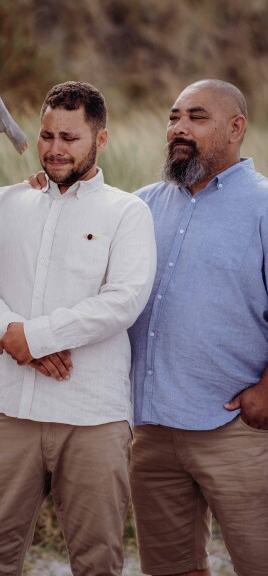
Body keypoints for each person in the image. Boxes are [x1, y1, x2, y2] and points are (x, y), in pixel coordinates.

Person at [29, 79, 268, 576]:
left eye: (196, 117)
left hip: (238, 430)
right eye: (174, 117)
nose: (178, 128)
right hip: (151, 432)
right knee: (170, 568)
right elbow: (72, 257)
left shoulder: (264, 206)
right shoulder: (138, 208)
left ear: (235, 128)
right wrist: (46, 192)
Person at [0, 81, 156, 576]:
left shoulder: (127, 212)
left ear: (100, 139)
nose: (55, 148)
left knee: (97, 563)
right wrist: (14, 336)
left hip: (92, 416)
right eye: (47, 135)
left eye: (70, 137)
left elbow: (123, 301)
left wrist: (35, 339)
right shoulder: (5, 202)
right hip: (8, 411)